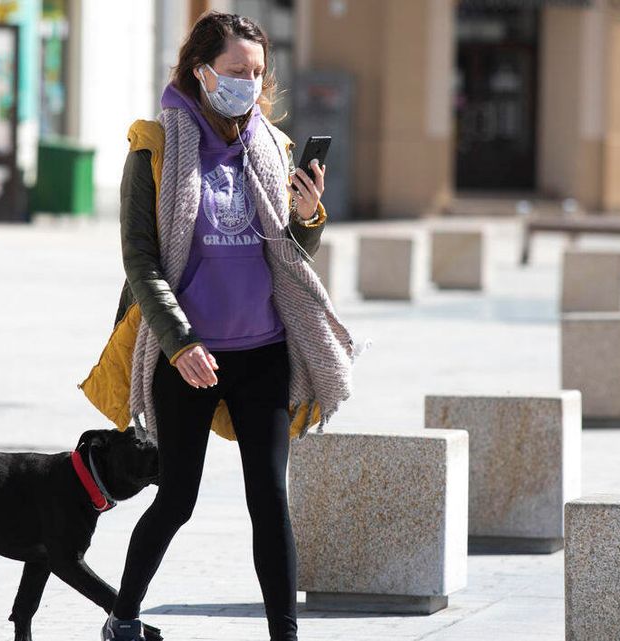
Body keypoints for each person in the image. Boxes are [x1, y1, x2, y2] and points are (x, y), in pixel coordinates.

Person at [79, 12, 360, 641]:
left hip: (264, 351)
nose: (249, 85)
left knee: (270, 502)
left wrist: (309, 219)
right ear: (200, 70)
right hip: (187, 355)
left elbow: (287, 254)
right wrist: (180, 344)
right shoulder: (153, 147)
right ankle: (122, 618)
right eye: (237, 72)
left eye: (258, 73)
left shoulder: (271, 146)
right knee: (177, 499)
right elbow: (141, 260)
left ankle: (284, 633)